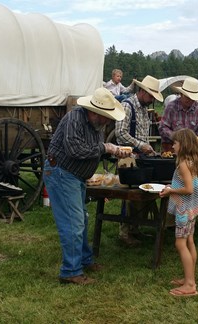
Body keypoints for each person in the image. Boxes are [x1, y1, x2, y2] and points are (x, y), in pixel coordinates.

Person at [44, 87, 131, 285]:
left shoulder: (95, 125)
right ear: (95, 112)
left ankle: (84, 259)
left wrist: (113, 151)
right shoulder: (75, 119)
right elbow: (75, 149)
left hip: (74, 175)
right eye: (105, 117)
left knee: (80, 219)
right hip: (61, 173)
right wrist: (105, 148)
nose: (107, 121)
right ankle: (70, 271)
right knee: (73, 223)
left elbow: (92, 150)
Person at [115, 75, 164, 246]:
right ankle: (124, 232)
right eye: (151, 96)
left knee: (142, 195)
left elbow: (143, 134)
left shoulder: (144, 109)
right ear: (142, 91)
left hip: (141, 158)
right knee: (129, 197)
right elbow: (120, 133)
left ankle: (135, 229)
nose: (152, 100)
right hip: (127, 158)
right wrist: (140, 145)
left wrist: (147, 147)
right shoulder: (127, 106)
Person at [159, 128, 198, 297]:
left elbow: (189, 189)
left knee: (180, 244)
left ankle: (190, 285)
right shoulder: (192, 161)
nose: (173, 146)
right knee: (189, 241)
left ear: (183, 144)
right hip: (191, 209)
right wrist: (172, 188)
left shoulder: (183, 165)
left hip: (184, 210)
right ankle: (189, 277)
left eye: (175, 143)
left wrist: (170, 191)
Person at [158, 77, 198, 152]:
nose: (190, 100)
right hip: (172, 148)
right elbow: (163, 128)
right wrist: (176, 137)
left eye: (192, 98)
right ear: (181, 94)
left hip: (191, 149)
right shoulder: (171, 107)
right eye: (187, 97)